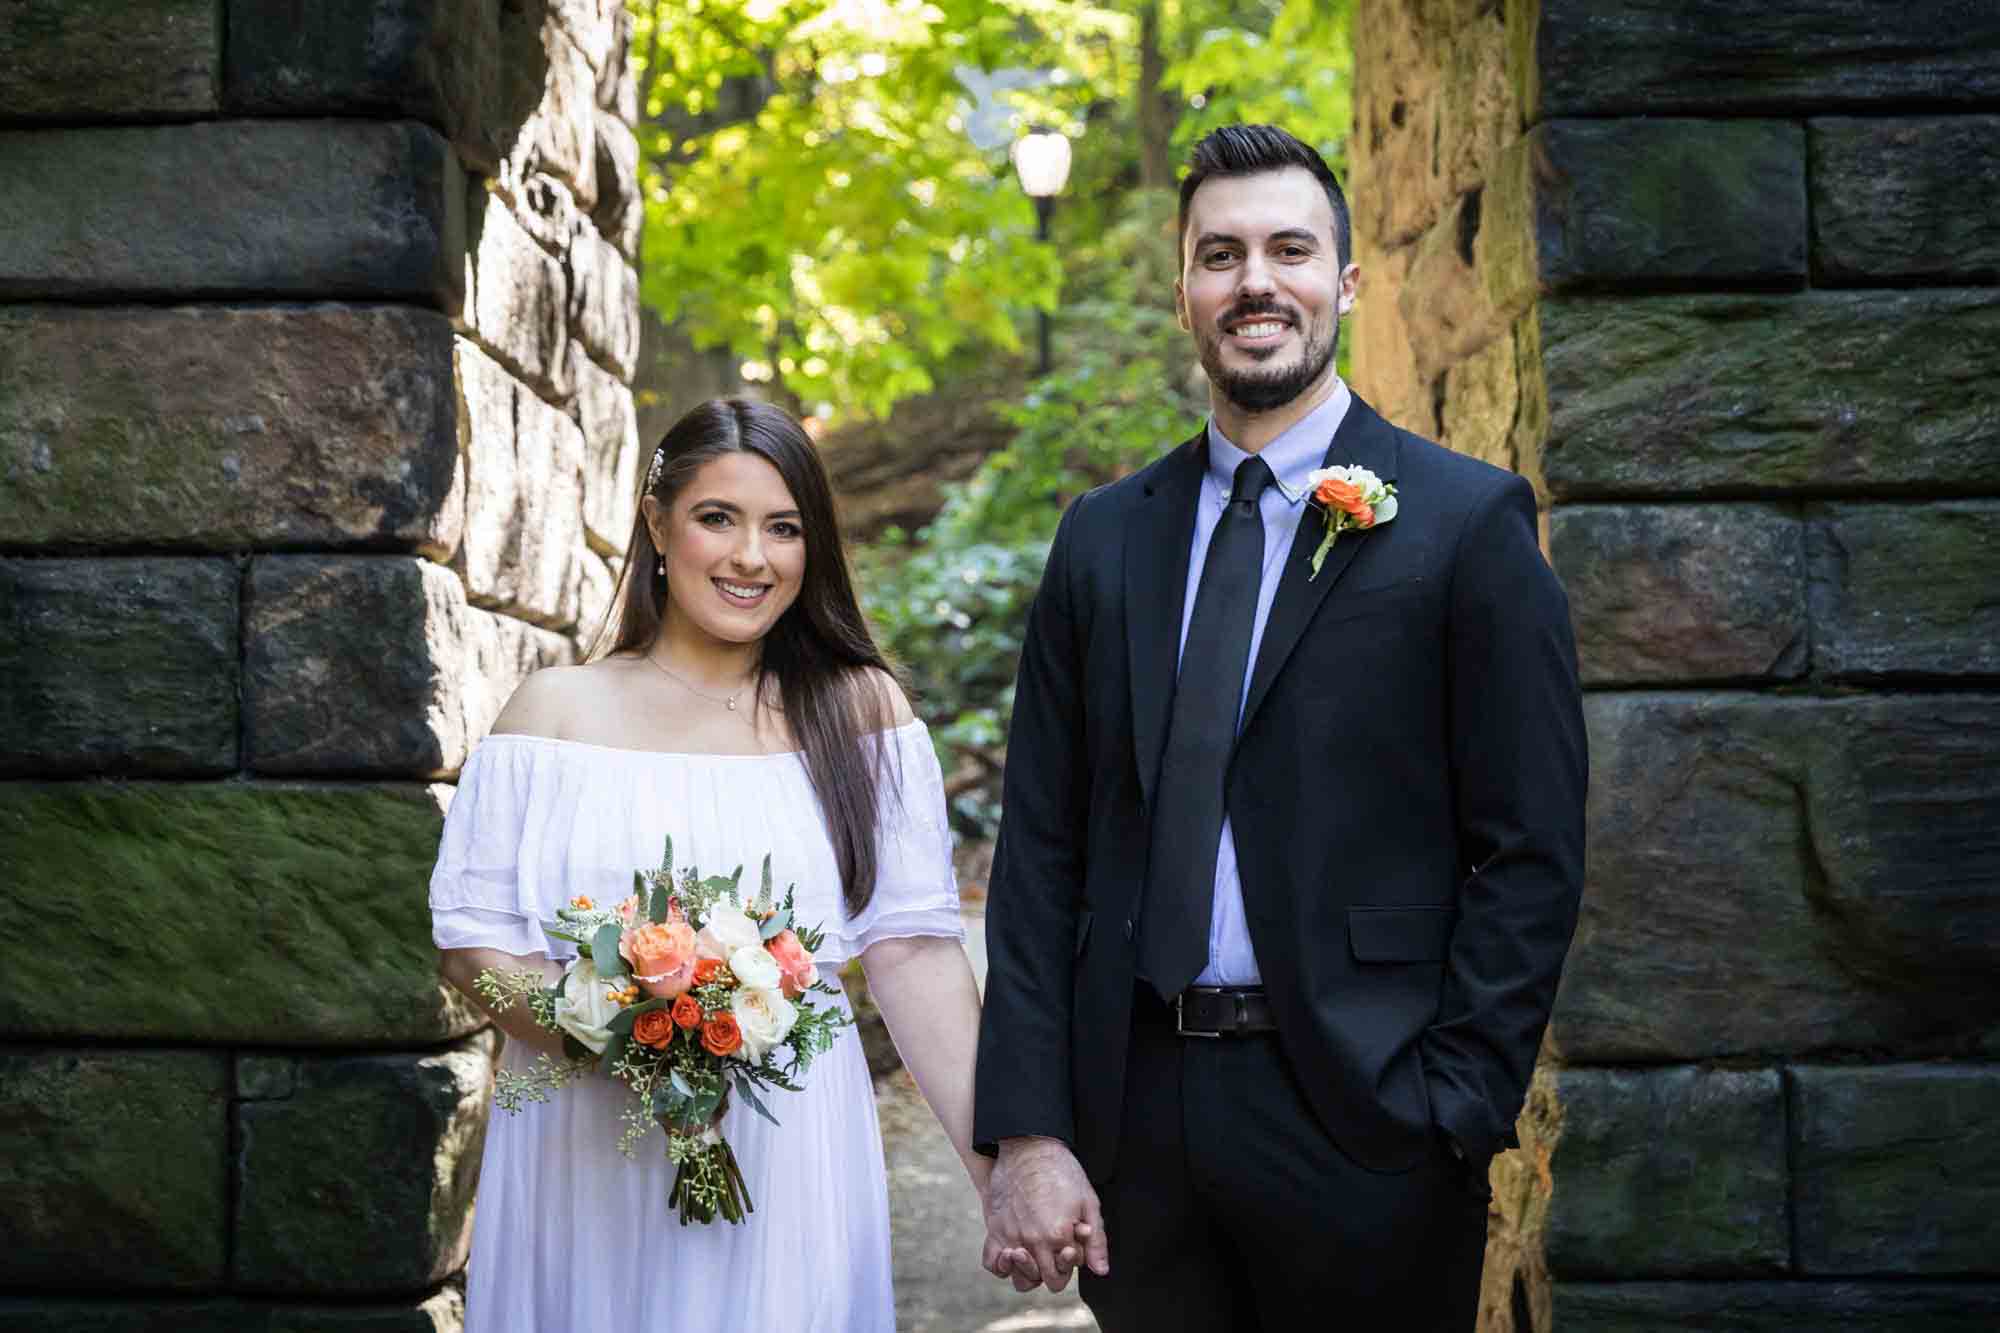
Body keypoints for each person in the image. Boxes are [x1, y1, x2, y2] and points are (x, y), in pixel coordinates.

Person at [973, 124, 1588, 1330]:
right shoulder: (1101, 538)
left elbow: (1530, 846)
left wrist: (1453, 1104)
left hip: (1368, 1123)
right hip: (1135, 1123)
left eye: (1288, 249)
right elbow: (1040, 850)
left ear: (1344, 283)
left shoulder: (1464, 525)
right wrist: (1031, 1128)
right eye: (1220, 254)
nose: (1254, 280)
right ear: (1183, 292)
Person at [431, 399, 985, 1331]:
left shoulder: (860, 716)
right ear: (657, 524)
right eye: (717, 518)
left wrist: (1003, 1169)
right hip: (587, 1156)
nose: (751, 558)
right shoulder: (552, 715)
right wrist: (624, 1032)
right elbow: (471, 948)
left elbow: (916, 951)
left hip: (791, 1153)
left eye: (784, 528)